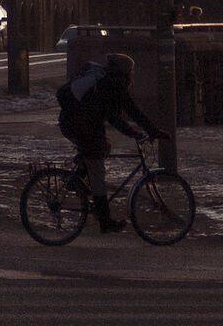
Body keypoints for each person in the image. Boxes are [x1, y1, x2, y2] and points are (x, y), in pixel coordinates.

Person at [57, 53, 161, 232]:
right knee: (97, 173)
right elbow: (115, 118)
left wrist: (151, 130)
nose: (131, 77)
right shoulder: (109, 85)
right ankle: (105, 221)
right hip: (78, 125)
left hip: (77, 123)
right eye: (130, 73)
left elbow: (130, 109)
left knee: (104, 146)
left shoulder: (110, 83)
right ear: (124, 73)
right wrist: (137, 133)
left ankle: (79, 175)